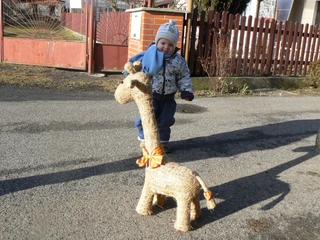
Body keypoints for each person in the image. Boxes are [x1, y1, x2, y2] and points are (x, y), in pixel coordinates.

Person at [126, 20, 194, 153]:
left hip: (168, 98)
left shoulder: (178, 61)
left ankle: (162, 144)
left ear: (175, 46)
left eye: (170, 44)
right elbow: (140, 72)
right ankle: (144, 139)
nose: (166, 47)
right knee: (147, 118)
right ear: (157, 42)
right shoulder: (148, 56)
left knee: (165, 121)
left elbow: (184, 76)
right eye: (163, 43)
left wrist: (186, 91)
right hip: (150, 96)